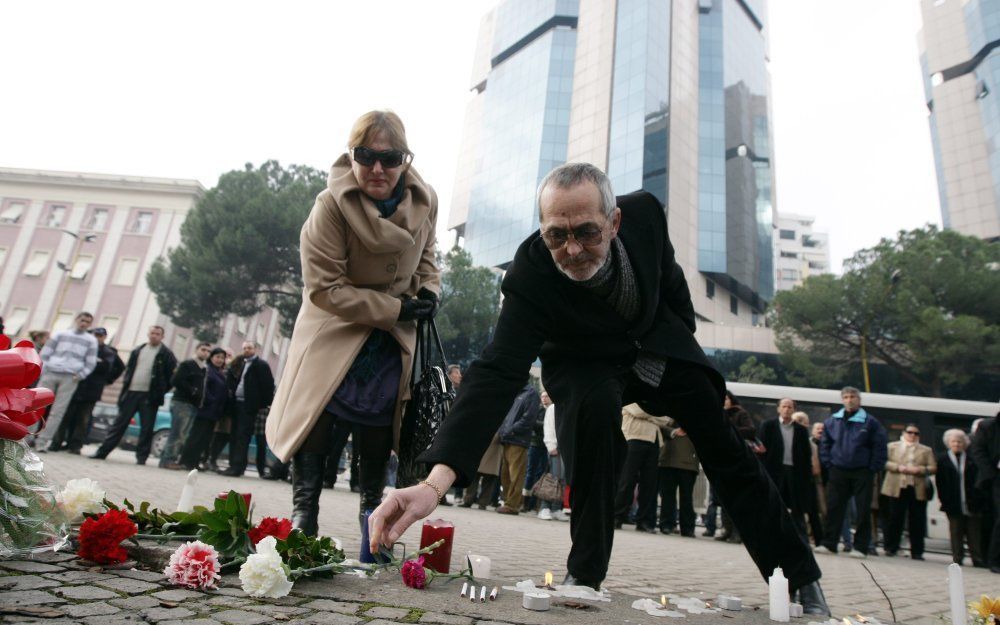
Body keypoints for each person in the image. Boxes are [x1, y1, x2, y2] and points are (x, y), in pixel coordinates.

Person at [368, 163, 828, 615]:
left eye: (586, 232)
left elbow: (671, 283)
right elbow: (496, 372)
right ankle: (585, 575)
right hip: (583, 361)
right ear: (542, 230)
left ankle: (798, 576)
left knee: (726, 447)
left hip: (653, 346)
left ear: (614, 222)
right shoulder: (530, 276)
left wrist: (677, 341)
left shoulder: (646, 214)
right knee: (590, 425)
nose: (571, 250)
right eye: (556, 235)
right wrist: (434, 483)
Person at [264, 110, 441, 538]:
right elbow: (324, 288)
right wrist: (392, 309)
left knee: (379, 426)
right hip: (335, 326)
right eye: (365, 156)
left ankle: (372, 519)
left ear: (406, 159)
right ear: (352, 155)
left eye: (390, 157)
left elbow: (429, 255)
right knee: (317, 419)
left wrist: (430, 292)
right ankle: (304, 514)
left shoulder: (425, 200)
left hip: (390, 337)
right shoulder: (330, 205)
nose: (377, 168)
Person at [815, 387, 887, 558]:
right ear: (842, 400)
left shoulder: (870, 422)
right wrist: (829, 464)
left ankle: (861, 547)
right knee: (834, 508)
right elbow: (825, 445)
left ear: (859, 399)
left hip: (862, 471)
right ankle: (829, 543)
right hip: (837, 470)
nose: (849, 400)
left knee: (863, 510)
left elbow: (880, 447)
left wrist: (872, 468)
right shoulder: (832, 421)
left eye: (852, 397)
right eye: (846, 397)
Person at [92, 326, 177, 464]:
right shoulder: (138, 350)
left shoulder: (166, 354)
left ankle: (141, 458)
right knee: (119, 425)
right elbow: (129, 370)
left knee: (147, 428)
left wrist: (159, 391)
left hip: (150, 397)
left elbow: (171, 378)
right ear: (148, 334)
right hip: (131, 393)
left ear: (162, 336)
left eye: (157, 334)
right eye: (152, 333)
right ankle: (102, 452)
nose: (154, 336)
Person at [50, 327, 125, 454]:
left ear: (105, 337)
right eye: (95, 335)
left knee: (83, 419)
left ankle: (75, 445)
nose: (97, 338)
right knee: (66, 416)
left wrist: (109, 380)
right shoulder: (84, 347)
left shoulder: (109, 352)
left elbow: (118, 367)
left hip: (92, 390)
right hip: (75, 386)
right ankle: (57, 442)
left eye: (100, 336)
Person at [35, 312, 99, 452]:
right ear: (76, 320)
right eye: (82, 320)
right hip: (51, 373)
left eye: (88, 322)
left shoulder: (91, 340)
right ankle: (26, 439)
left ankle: (42, 442)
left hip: (70, 377)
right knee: (37, 406)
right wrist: (44, 370)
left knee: (58, 411)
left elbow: (90, 362)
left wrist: (80, 375)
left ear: (90, 324)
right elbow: (45, 352)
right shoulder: (60, 334)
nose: (84, 323)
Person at [759, 399, 814, 543]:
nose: (787, 409)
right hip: (774, 471)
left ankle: (801, 540)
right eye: (784, 406)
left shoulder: (801, 430)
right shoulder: (768, 426)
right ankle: (768, 536)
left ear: (794, 410)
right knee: (772, 503)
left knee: (796, 506)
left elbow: (806, 455)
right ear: (778, 409)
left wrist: (806, 476)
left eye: (790, 407)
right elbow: (761, 450)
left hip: (794, 472)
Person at [881, 423, 936, 559]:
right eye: (910, 432)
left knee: (917, 521)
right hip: (896, 487)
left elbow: (933, 467)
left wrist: (919, 470)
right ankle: (891, 547)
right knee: (894, 519)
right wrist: (898, 467)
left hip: (916, 488)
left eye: (916, 433)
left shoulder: (926, 450)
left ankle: (917, 551)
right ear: (904, 433)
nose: (912, 435)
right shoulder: (892, 446)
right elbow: (883, 462)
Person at [223, 342, 275, 477]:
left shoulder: (261, 365)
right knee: (234, 435)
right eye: (244, 348)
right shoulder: (241, 363)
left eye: (249, 348)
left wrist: (260, 405)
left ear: (255, 349)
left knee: (242, 436)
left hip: (249, 406)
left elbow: (268, 386)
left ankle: (237, 466)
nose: (246, 350)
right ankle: (234, 465)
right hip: (237, 404)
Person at [936, 429, 987, 567]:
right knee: (955, 531)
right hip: (952, 502)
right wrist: (944, 500)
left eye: (959, 441)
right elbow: (940, 483)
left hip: (972, 502)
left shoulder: (972, 459)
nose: (957, 444)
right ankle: (957, 558)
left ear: (964, 443)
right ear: (948, 443)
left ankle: (977, 558)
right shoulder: (943, 460)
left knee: (974, 532)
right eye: (954, 441)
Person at [709, 390, 756, 541]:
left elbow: (751, 430)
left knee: (737, 497)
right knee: (723, 497)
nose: (723, 401)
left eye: (726, 398)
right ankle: (726, 529)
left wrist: (729, 430)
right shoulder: (715, 413)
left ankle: (738, 532)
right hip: (719, 457)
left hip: (736, 457)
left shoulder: (740, 413)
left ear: (731, 400)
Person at [614, 403, 666, 532]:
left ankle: (643, 521)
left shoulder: (654, 398)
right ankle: (617, 516)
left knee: (649, 484)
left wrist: (650, 415)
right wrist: (655, 416)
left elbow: (666, 419)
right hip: (633, 438)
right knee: (626, 480)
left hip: (654, 441)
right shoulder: (632, 394)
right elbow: (637, 412)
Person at [176, 348, 229, 470]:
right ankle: (186, 461)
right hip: (204, 410)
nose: (220, 360)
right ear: (211, 357)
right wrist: (211, 401)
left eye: (222, 357)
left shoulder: (219, 372)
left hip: (214, 413)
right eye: (217, 357)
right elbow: (204, 389)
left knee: (204, 439)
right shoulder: (208, 370)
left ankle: (194, 462)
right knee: (196, 437)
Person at [160, 342, 211, 468]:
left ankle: (170, 459)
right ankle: (168, 460)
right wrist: (192, 390)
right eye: (203, 349)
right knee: (177, 432)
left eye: (208, 351)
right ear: (197, 349)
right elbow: (175, 380)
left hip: (192, 405)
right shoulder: (188, 364)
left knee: (183, 434)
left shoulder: (203, 368)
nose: (205, 353)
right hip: (182, 403)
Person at [496, 383, 541, 515]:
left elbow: (529, 418)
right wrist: (503, 431)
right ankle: (509, 502)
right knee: (505, 475)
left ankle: (512, 505)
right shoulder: (517, 392)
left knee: (516, 475)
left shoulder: (531, 393)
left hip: (518, 440)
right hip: (507, 439)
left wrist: (510, 430)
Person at [658, 414, 699, 537]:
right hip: (668, 460)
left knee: (686, 497)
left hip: (688, 462)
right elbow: (659, 425)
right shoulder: (666, 412)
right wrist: (673, 431)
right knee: (668, 496)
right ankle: (667, 525)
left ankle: (686, 528)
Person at [970, 414, 1000, 574]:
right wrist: (991, 474)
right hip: (995, 479)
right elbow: (978, 451)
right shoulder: (987, 426)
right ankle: (994, 560)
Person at [539, 394, 568, 521]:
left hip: (567, 448)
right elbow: (549, 427)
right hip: (555, 446)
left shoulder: (571, 407)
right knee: (553, 478)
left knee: (563, 479)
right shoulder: (553, 408)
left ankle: (556, 508)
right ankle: (544, 507)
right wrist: (551, 446)